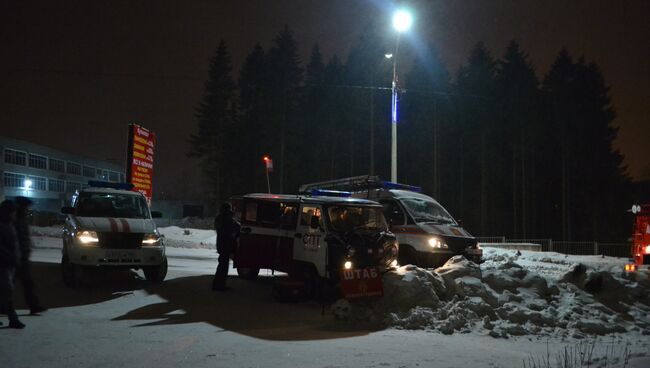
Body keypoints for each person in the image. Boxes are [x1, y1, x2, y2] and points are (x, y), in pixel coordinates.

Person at [15, 196, 46, 315]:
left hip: (20, 257)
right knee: (23, 283)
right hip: (16, 258)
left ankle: (34, 305)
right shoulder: (15, 219)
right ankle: (33, 306)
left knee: (26, 283)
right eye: (26, 207)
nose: (28, 210)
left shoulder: (20, 219)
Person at [0, 200, 25, 328]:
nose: (14, 214)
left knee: (5, 291)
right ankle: (13, 319)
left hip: (9, 263)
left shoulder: (9, 224)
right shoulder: (3, 225)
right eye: (13, 212)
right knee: (7, 291)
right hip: (3, 263)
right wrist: (11, 257)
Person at [212, 202, 240, 291]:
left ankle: (219, 284)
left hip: (222, 245)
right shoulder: (225, 218)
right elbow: (234, 227)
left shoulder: (220, 218)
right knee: (223, 267)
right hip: (225, 245)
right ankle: (219, 285)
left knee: (222, 266)